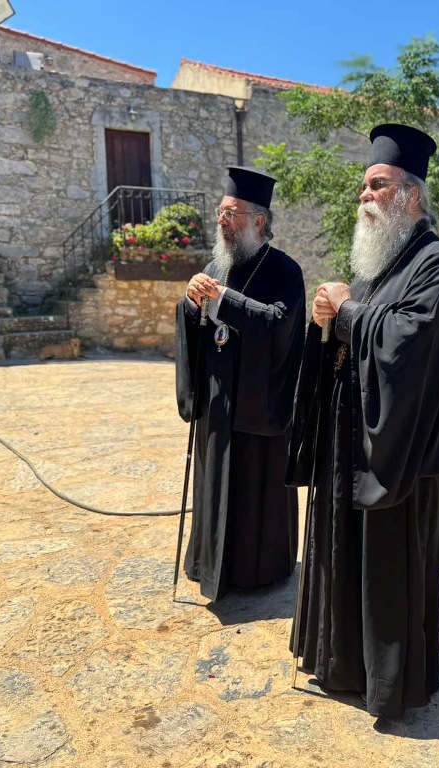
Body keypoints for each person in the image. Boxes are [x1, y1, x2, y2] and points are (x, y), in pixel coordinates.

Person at [287, 124, 439, 718]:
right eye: (363, 186)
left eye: (377, 185)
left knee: (387, 569)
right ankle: (340, 660)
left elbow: (406, 343)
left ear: (411, 195)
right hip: (351, 441)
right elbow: (351, 333)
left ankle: (388, 682)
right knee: (343, 556)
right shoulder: (376, 263)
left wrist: (346, 311)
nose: (364, 195)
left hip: (399, 451)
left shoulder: (437, 262)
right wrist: (325, 321)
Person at [175, 166, 306, 602]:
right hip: (218, 402)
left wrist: (223, 300)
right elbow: (197, 319)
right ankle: (210, 561)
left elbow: (279, 324)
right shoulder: (216, 266)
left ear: (259, 221)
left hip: (258, 405)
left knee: (253, 493)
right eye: (220, 212)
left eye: (231, 213)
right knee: (214, 484)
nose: (222, 221)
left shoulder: (285, 270)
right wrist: (191, 302)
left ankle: (258, 570)